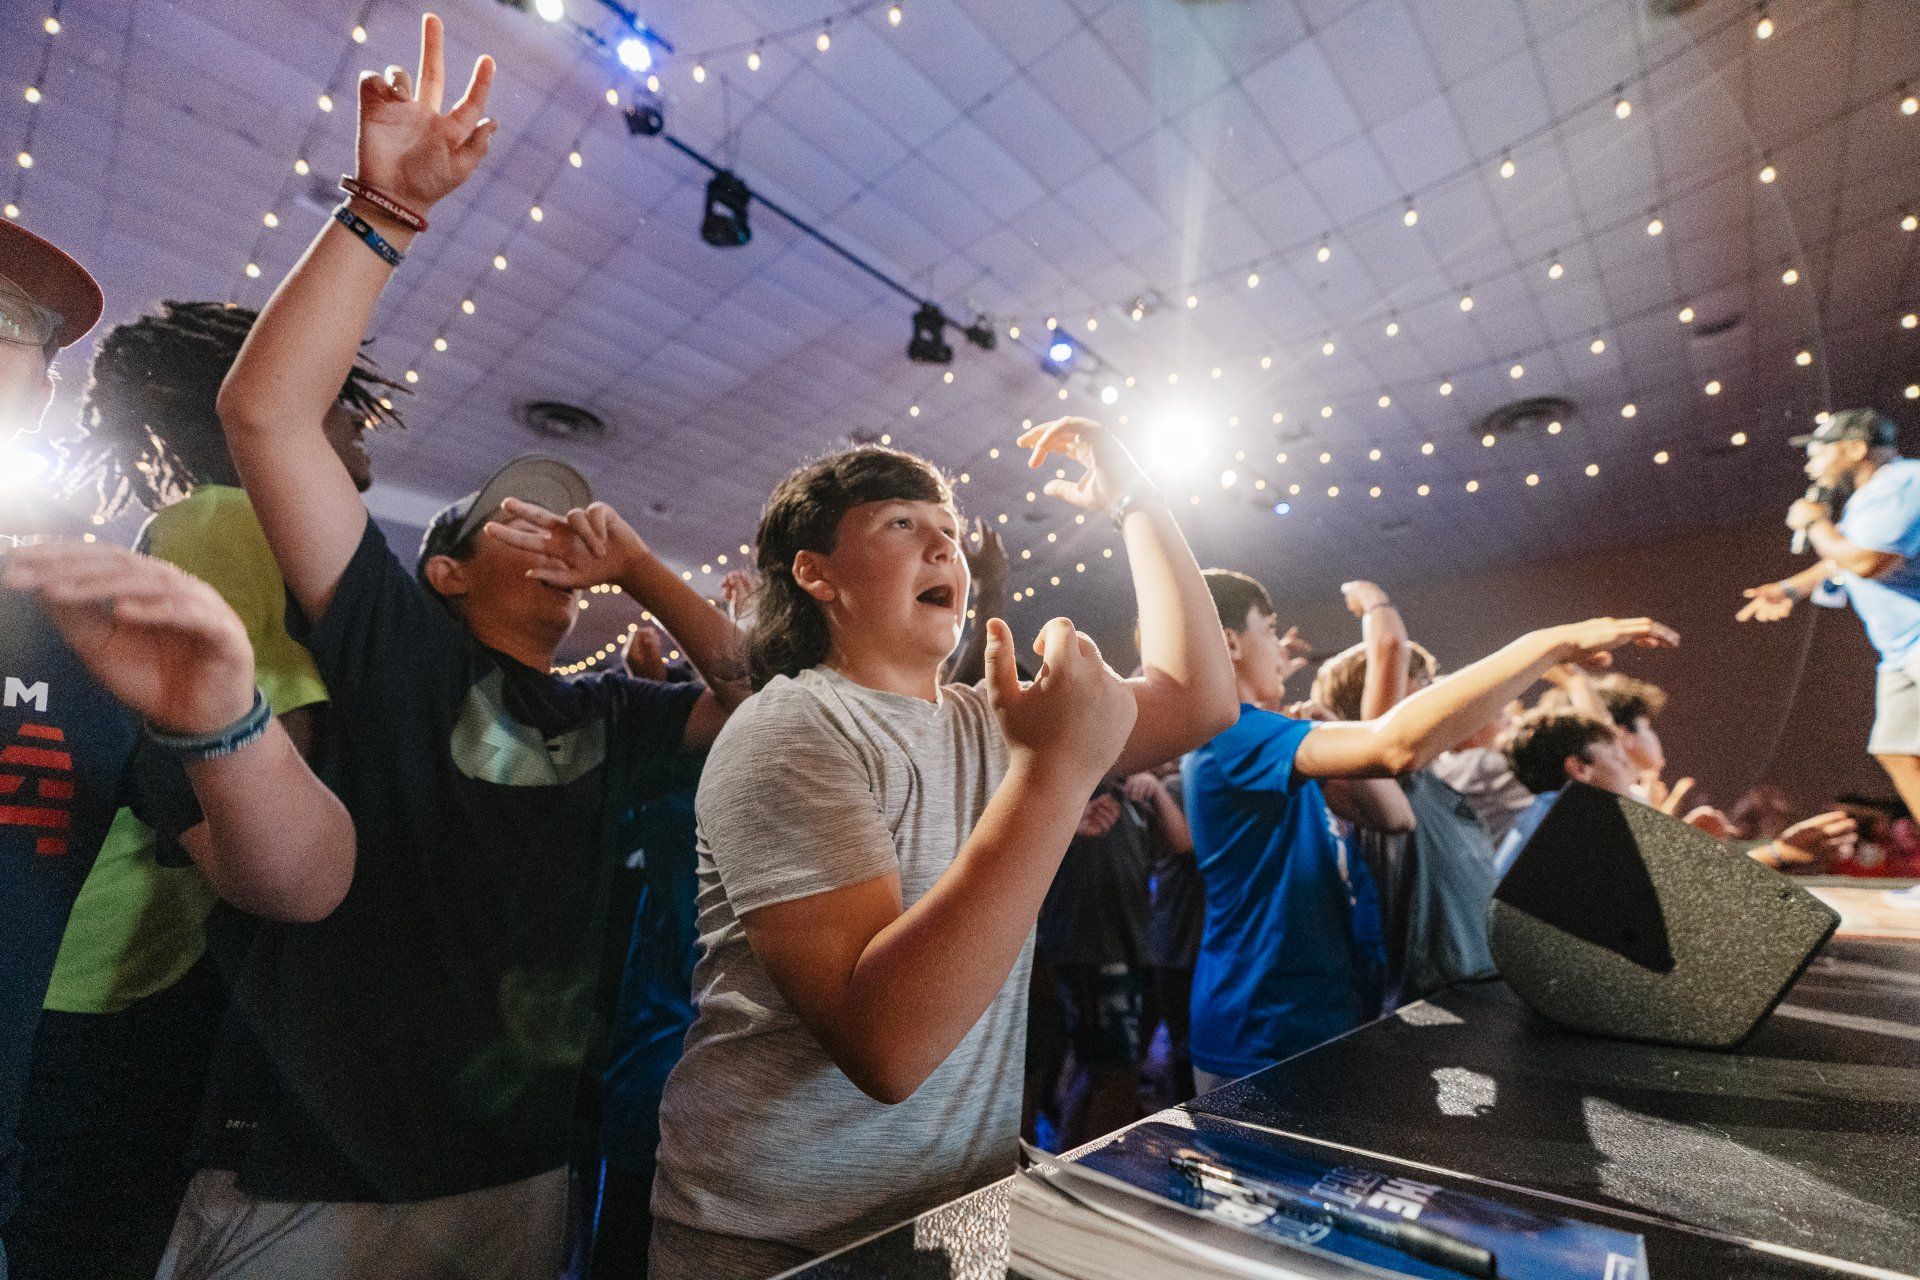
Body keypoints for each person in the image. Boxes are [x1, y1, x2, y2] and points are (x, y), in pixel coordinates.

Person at [156, 17, 747, 1278]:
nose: (555, 527)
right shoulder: (396, 640)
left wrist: (646, 567)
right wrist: (386, 210)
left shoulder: (611, 711)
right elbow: (264, 414)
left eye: (568, 517)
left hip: (522, 1170)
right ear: (448, 568)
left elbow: (762, 693)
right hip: (324, 1174)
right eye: (516, 514)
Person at [649, 417, 1238, 1278]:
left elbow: (1199, 698)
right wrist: (1055, 774)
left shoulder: (987, 720)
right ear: (815, 573)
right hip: (785, 1239)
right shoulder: (789, 727)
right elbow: (887, 1048)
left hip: (961, 1216)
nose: (944, 550)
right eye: (902, 524)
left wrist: (1135, 500)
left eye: (951, 534)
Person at [9, 300, 399, 1280]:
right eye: (341, 402)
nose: (359, 429)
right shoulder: (224, 519)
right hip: (114, 973)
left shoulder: (190, 527)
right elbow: (277, 775)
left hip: (97, 958)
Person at [1184, 567, 1681, 1093]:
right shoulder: (1232, 734)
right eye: (1268, 630)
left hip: (1312, 1011)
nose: (1278, 650)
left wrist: (1333, 737)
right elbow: (1394, 746)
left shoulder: (1272, 737)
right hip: (1261, 1023)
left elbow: (1393, 815)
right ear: (1231, 642)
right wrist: (1547, 645)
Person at [1308, 582, 1500, 1009]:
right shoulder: (1386, 775)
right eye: (1422, 682)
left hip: (1485, 978)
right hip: (1438, 995)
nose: (1436, 692)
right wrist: (1373, 600)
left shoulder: (1431, 780)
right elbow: (1390, 648)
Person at [1739, 410, 1920, 826]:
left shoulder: (1905, 481)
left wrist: (1816, 522)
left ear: (1855, 448)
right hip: (1901, 650)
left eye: (1820, 452)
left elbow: (1865, 561)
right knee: (1896, 750)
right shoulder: (1869, 498)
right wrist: (1790, 588)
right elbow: (1842, 556)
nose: (1811, 464)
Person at [1495, 707, 1857, 874]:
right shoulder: (1578, 819)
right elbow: (1673, 900)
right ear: (1578, 768)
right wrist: (1781, 852)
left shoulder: (1552, 813)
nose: (1626, 767)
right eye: (1616, 757)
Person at [1034, 767, 1188, 1149]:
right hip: (1089, 947)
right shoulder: (1083, 782)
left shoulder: (1133, 796)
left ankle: (1076, 1164)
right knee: (1110, 1071)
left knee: (1107, 1069)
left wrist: (1157, 791)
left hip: (1125, 948)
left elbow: (1180, 843)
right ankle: (1084, 1167)